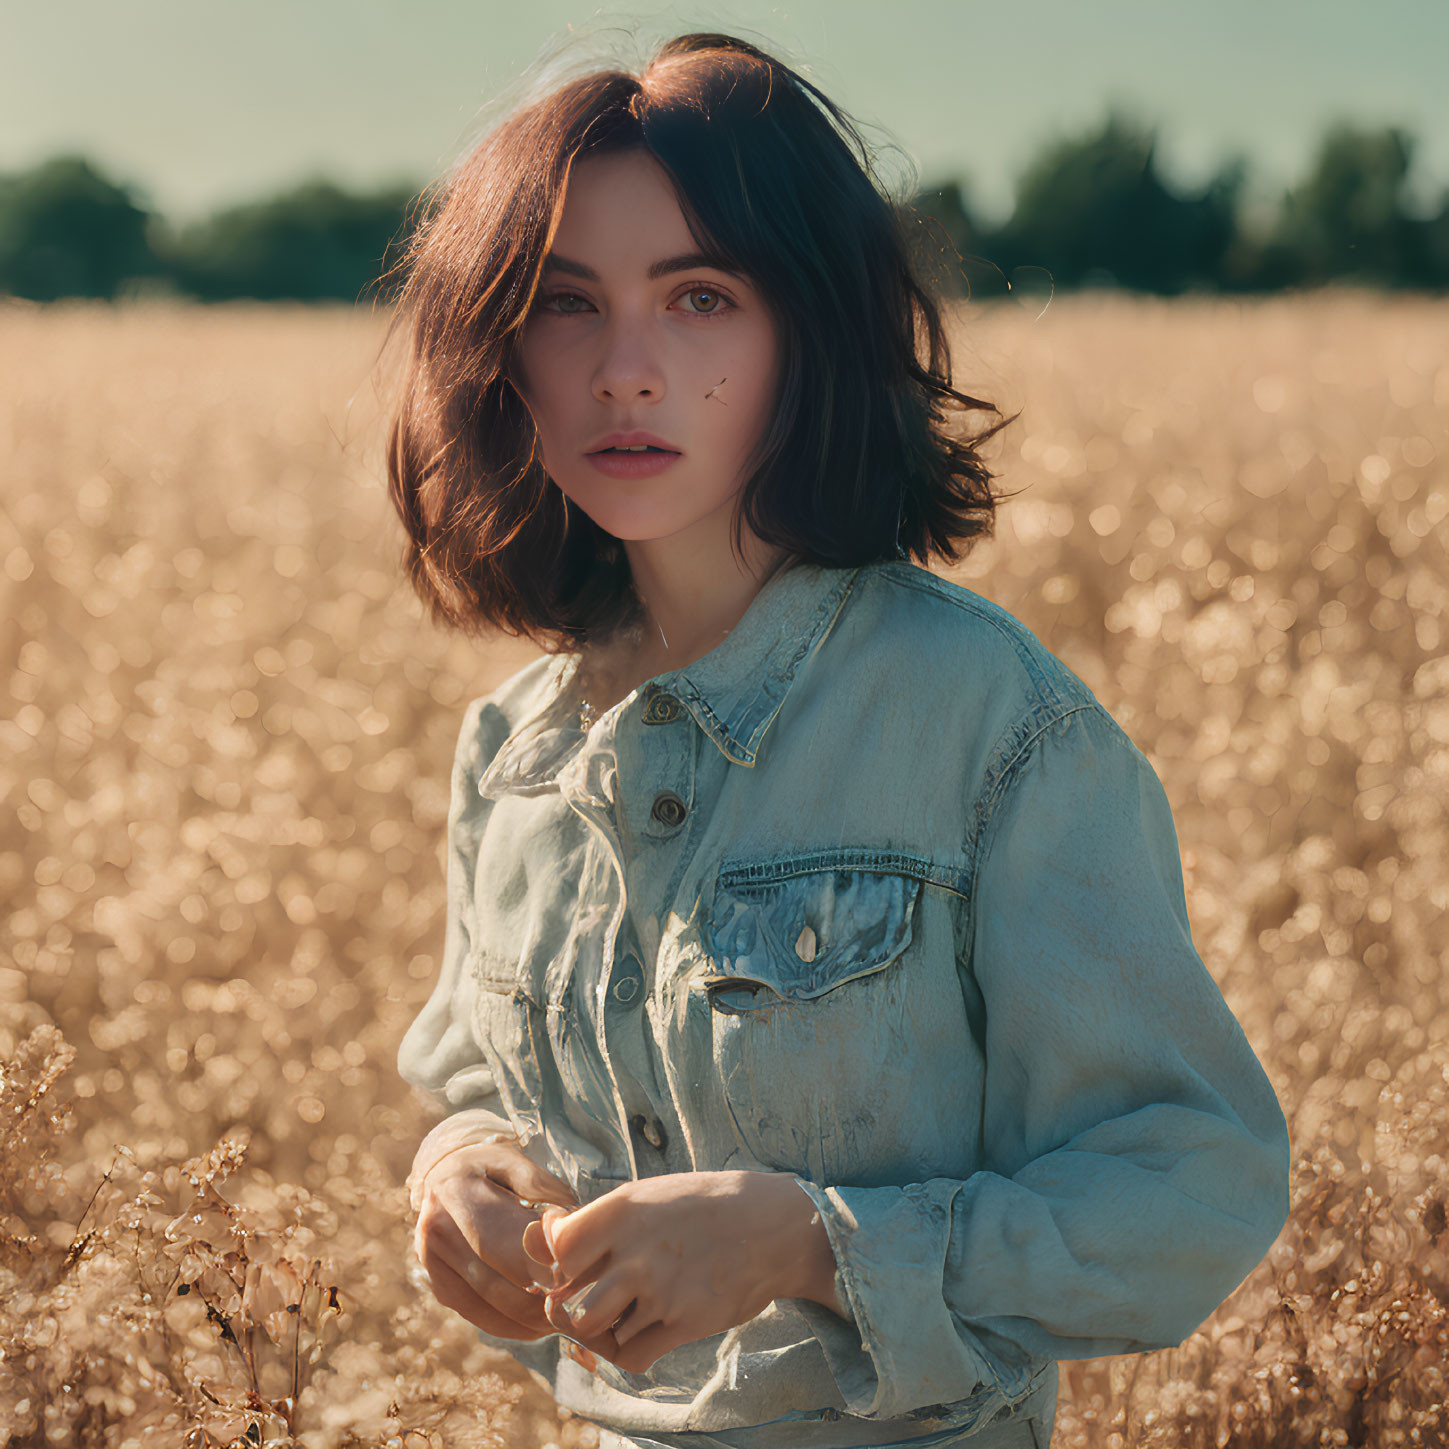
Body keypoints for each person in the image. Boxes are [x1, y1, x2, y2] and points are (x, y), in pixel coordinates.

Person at [383, 30, 1292, 1449]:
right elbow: (470, 1088)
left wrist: (806, 1239)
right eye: (566, 305)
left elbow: (1191, 1188)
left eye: (698, 297)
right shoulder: (510, 749)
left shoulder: (991, 725)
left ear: (807, 333)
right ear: (499, 355)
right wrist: (463, 1176)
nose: (626, 370)